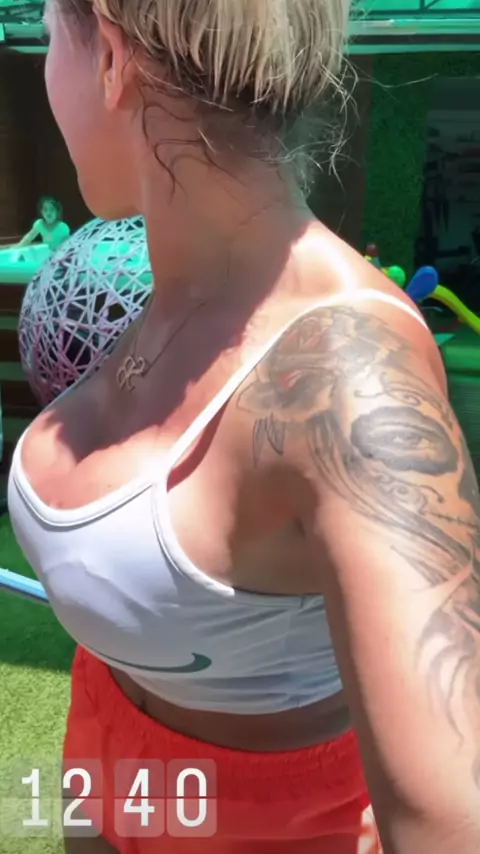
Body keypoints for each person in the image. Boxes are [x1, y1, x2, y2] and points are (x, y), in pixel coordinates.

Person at [7, 0, 480, 852]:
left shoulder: (350, 377)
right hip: (112, 760)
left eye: (48, 40)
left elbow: (452, 816)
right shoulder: (171, 289)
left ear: (110, 58)